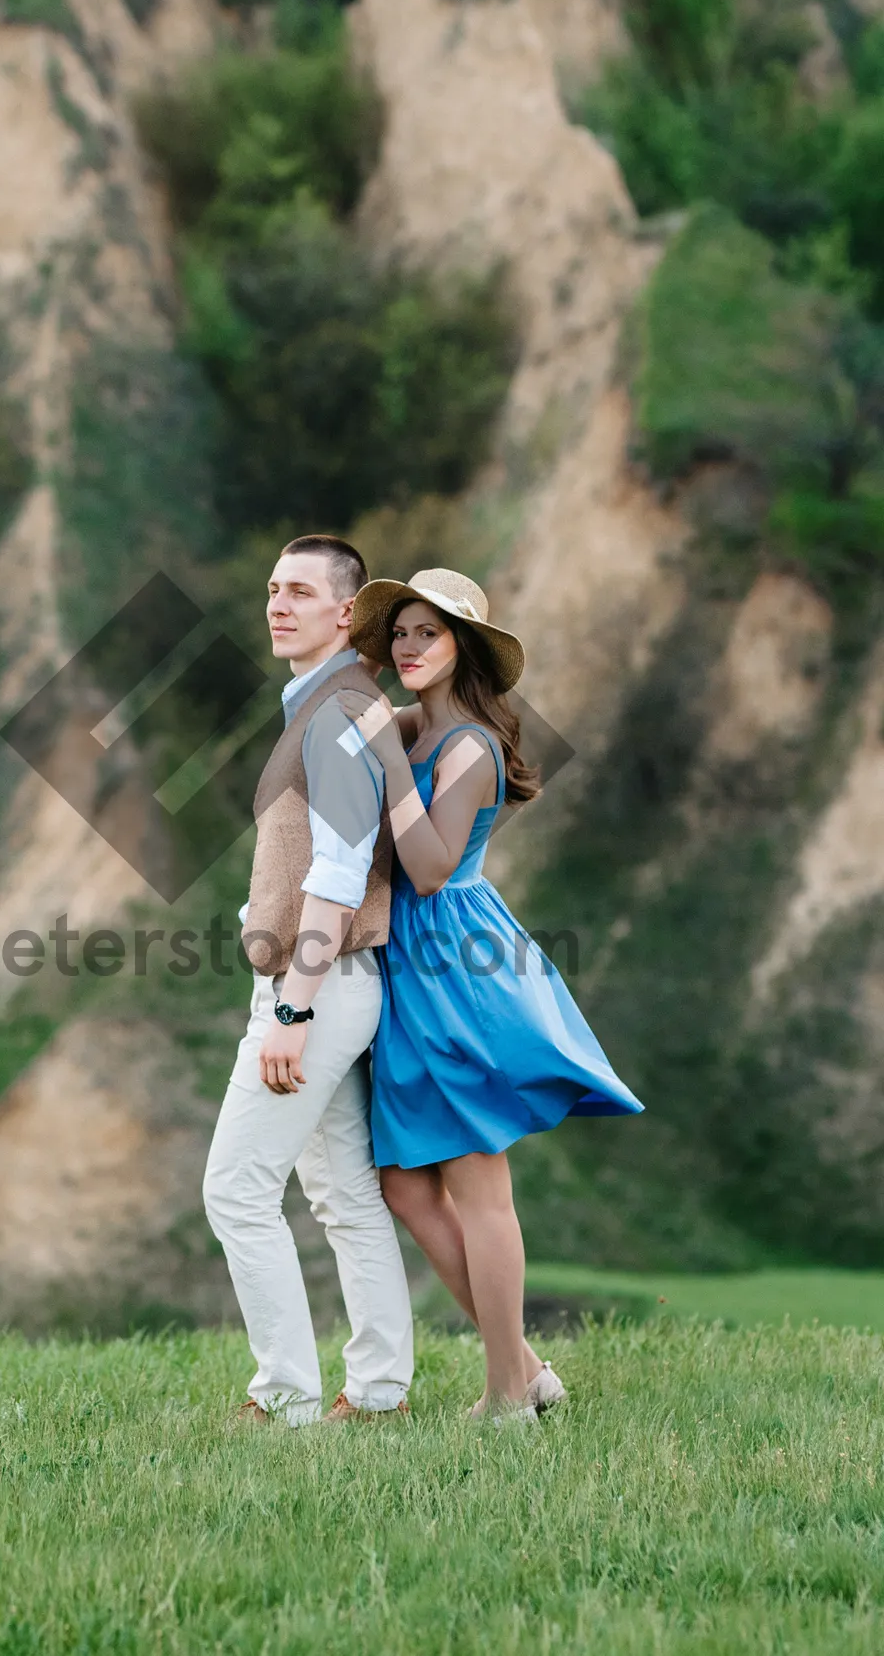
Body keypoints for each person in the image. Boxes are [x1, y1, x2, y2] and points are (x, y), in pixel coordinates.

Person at [337, 568, 644, 1426]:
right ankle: (528, 1371)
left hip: (458, 967)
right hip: (413, 973)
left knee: (479, 1189)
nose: (406, 647)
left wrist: (391, 760)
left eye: (427, 633)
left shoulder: (464, 744)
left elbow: (431, 870)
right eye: (398, 632)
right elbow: (345, 725)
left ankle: (508, 1393)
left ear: (461, 647)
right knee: (403, 1181)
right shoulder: (412, 724)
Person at [202, 535, 414, 1427]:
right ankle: (376, 1394)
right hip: (338, 983)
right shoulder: (335, 707)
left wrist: (292, 1005)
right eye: (270, 589)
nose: (276, 604)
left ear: (345, 612)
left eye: (298, 591)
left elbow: (338, 869)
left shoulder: (334, 714)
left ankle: (283, 1394)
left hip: (318, 985)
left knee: (237, 1187)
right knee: (343, 1193)